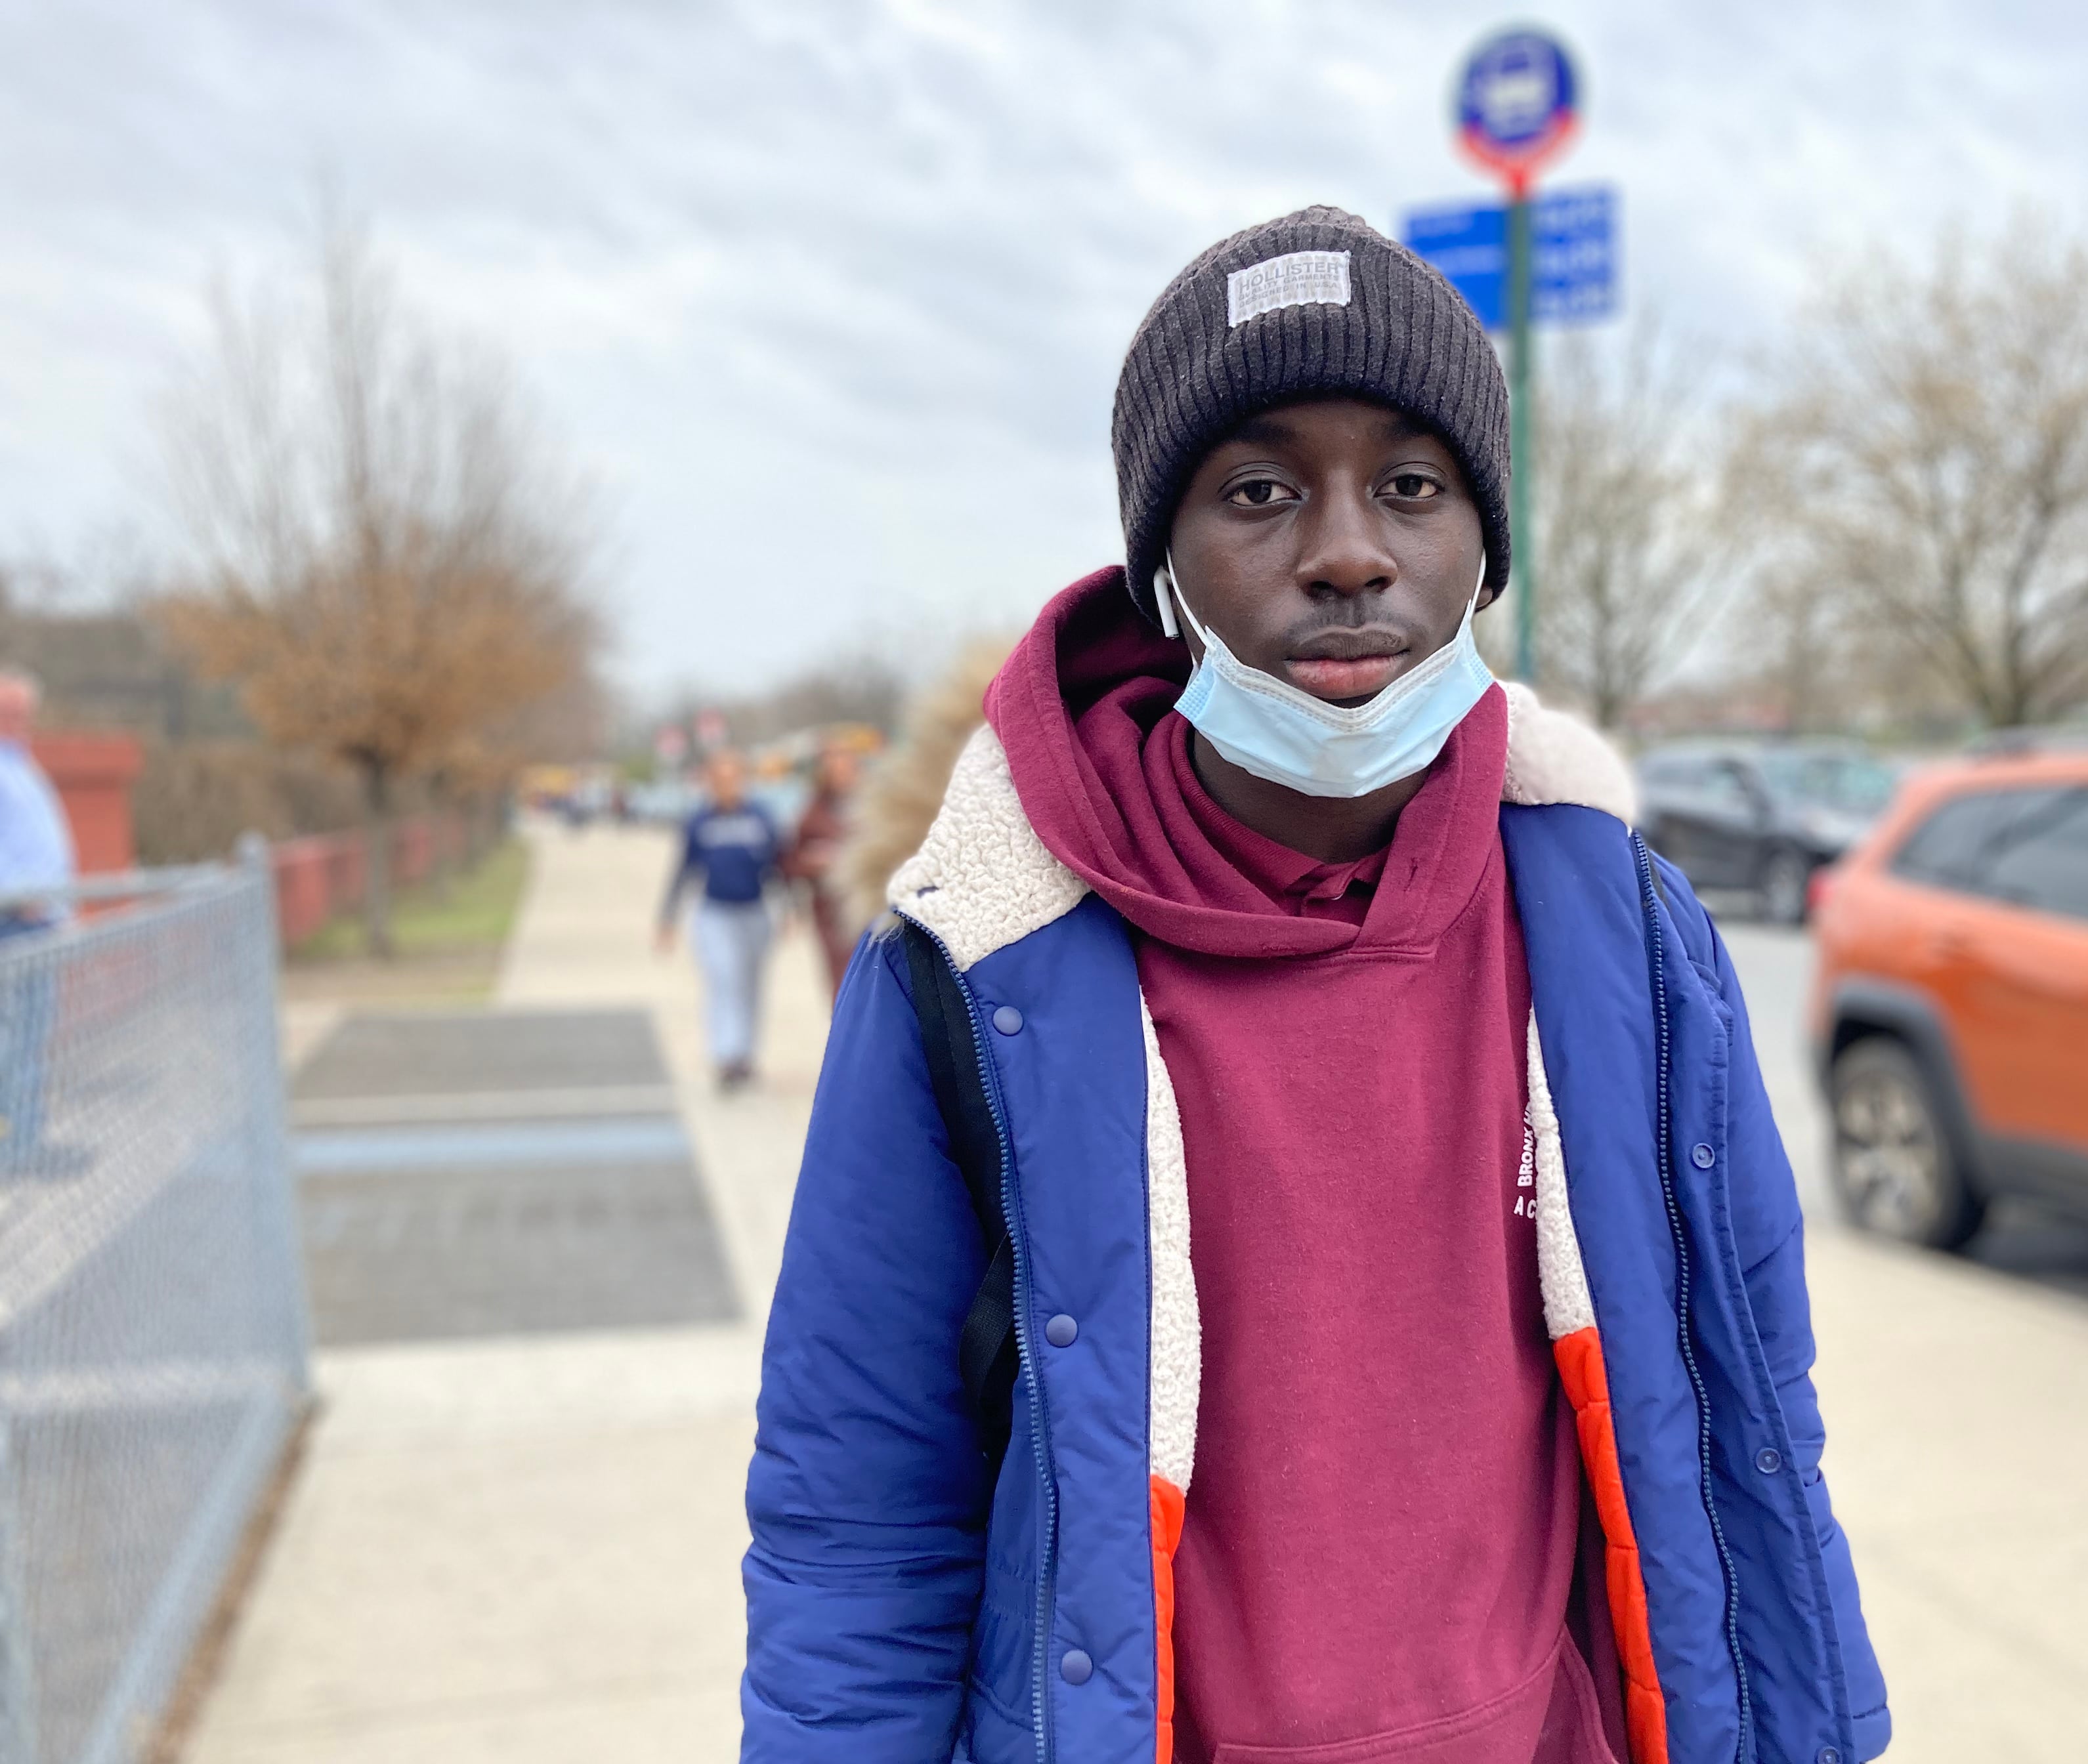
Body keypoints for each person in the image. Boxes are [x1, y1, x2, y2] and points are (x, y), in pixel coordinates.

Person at [742, 209, 1887, 1764]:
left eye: (1410, 485)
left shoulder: (1624, 933)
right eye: (1260, 491)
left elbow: (1753, 1411)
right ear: (1161, 569)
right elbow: (856, 1516)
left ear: (1483, 546)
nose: (1348, 550)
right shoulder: (976, 971)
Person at [658, 751, 782, 1091]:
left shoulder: (760, 818)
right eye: (720, 779)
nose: (727, 786)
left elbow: (779, 866)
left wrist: (791, 907)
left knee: (750, 985)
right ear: (711, 783)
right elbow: (683, 870)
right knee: (724, 980)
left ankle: (745, 1056)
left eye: (733, 778)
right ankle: (726, 1055)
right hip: (715, 914)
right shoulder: (700, 821)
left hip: (755, 913)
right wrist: (667, 919)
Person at [0, 668, 77, 1175]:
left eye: (24, 711)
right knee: (17, 1039)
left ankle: (28, 1141)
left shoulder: (22, 763)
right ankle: (18, 1147)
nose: (19, 720)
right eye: (10, 711)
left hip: (41, 921)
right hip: (14, 924)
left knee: (31, 1037)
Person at [778, 736, 862, 1004]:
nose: (841, 775)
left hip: (873, 907)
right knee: (842, 983)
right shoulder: (812, 812)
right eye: (833, 769)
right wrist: (812, 863)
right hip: (830, 912)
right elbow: (790, 861)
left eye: (846, 767)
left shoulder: (875, 807)